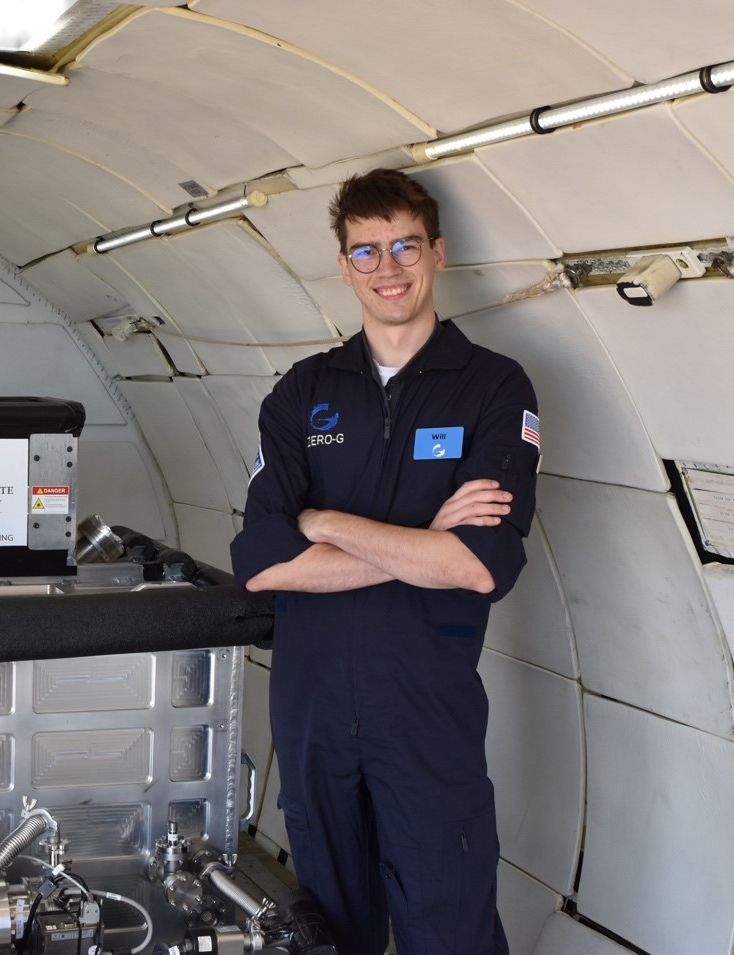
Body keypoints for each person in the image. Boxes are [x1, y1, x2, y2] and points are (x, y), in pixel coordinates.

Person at [230, 169, 539, 955]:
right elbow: (264, 565)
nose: (386, 266)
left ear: (436, 253)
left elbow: (476, 567)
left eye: (403, 244)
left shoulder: (492, 388)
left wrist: (324, 520)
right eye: (365, 250)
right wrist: (420, 538)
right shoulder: (301, 394)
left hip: (424, 708)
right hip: (312, 711)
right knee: (330, 927)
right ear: (343, 267)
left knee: (451, 923)